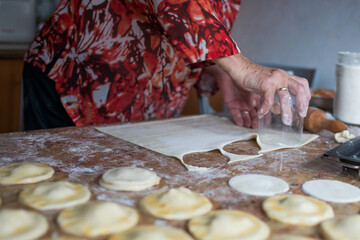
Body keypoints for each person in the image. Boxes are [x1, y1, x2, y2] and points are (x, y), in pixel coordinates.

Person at [23, 0, 310, 130]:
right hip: (78, 79)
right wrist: (244, 69)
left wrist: (223, 72)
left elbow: (187, 36)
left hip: (149, 102)